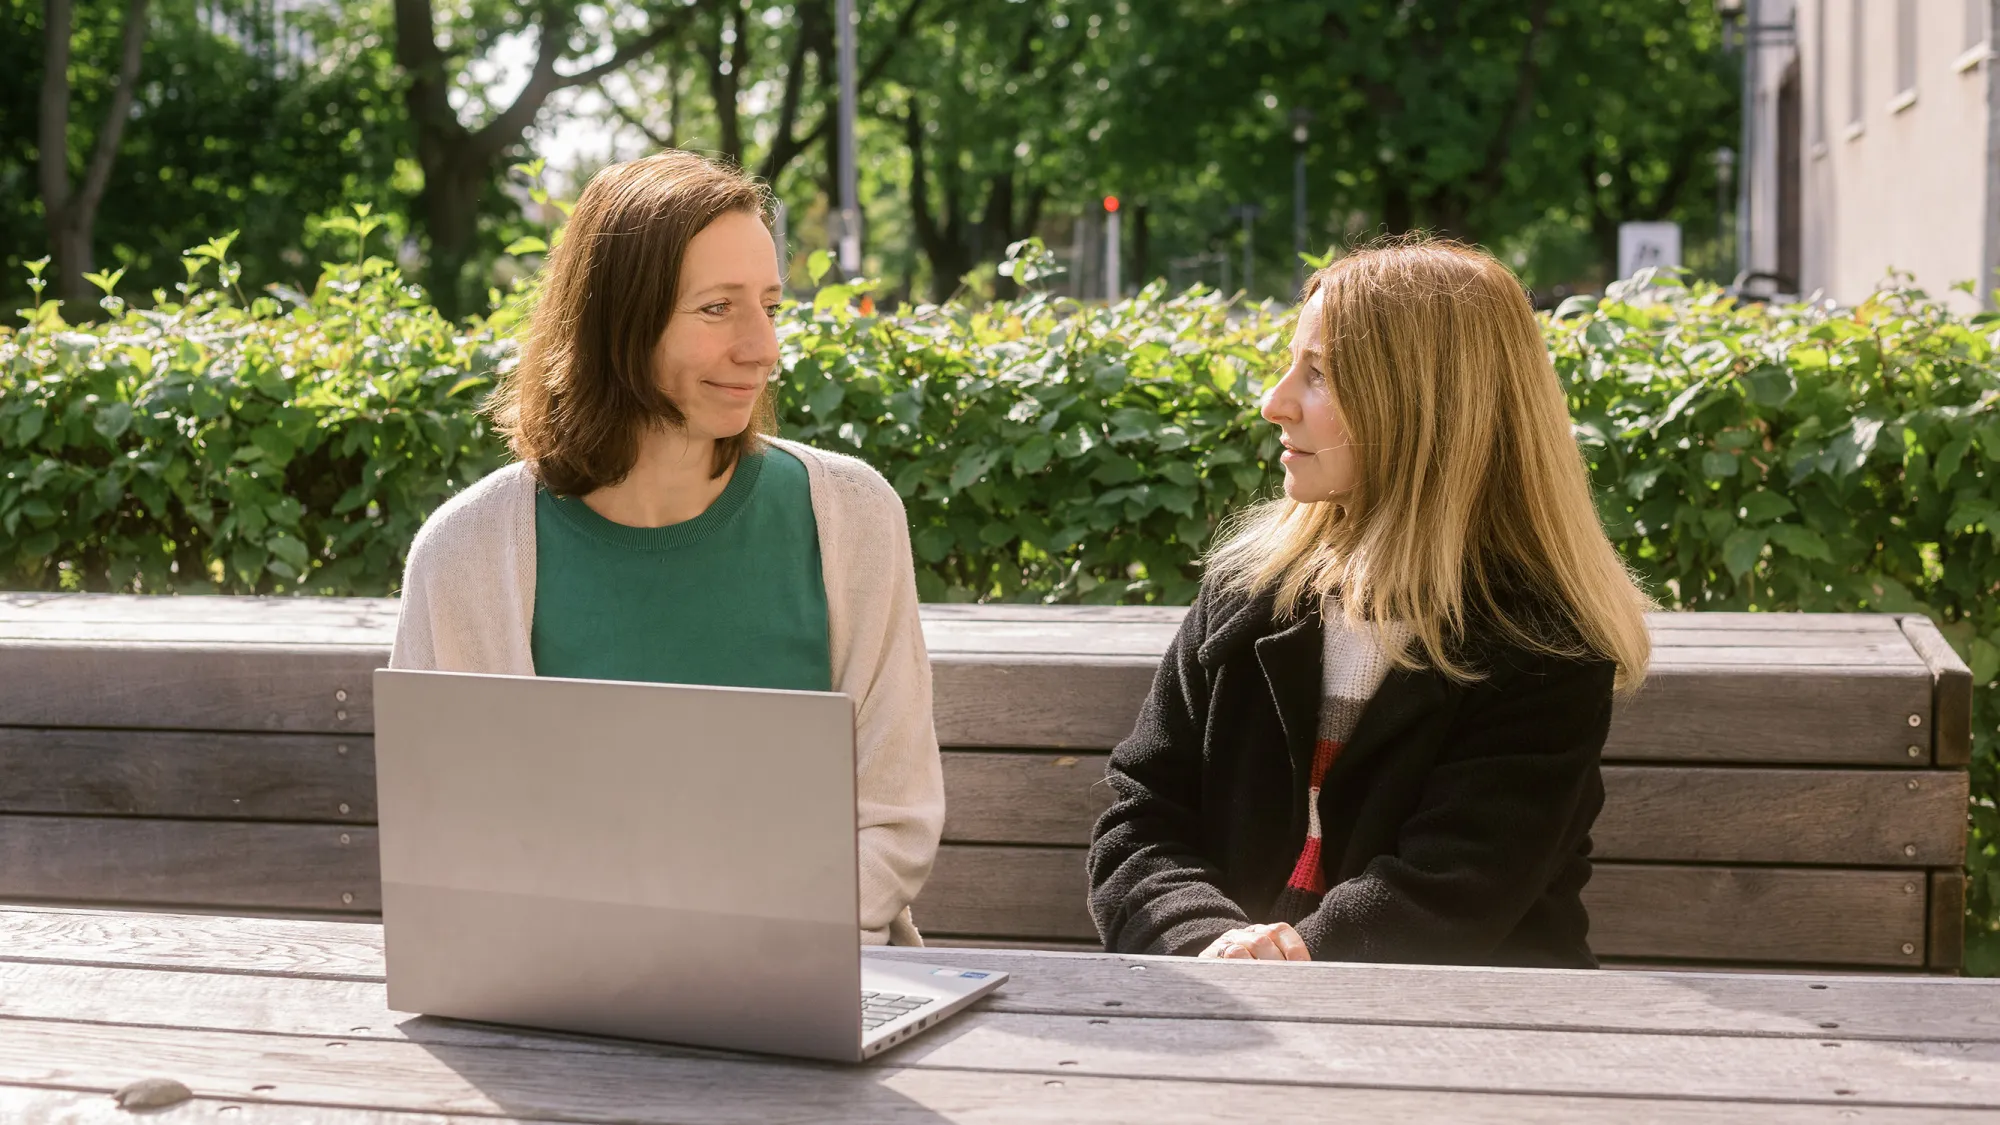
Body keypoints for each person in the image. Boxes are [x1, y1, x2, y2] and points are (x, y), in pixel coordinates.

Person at [389, 151, 943, 947]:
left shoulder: (852, 516)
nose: (762, 347)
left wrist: (743, 952)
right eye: (717, 308)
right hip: (555, 1001)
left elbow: (893, 817)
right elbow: (446, 847)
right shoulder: (465, 555)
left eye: (770, 305)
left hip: (804, 983)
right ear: (618, 321)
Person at [1086, 238, 1652, 967]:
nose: (1274, 401)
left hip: (1470, 1039)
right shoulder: (1248, 592)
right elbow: (1141, 820)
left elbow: (1454, 888)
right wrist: (1209, 948)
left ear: (1423, 407)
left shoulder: (1543, 642)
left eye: (1317, 374)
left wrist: (1282, 966)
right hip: (1230, 1010)